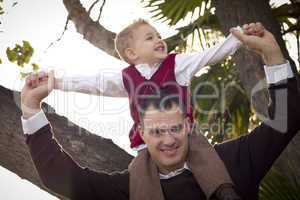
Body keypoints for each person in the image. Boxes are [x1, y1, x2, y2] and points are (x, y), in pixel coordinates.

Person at [21, 25, 299, 200]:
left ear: (186, 123)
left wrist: (249, 44)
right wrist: (43, 95)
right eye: (156, 131)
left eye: (174, 128)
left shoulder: (233, 163)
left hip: (206, 153)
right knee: (142, 167)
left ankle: (222, 190)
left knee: (202, 153)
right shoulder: (127, 188)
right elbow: (94, 84)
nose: (167, 139)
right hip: (142, 161)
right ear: (142, 131)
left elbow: (209, 56)